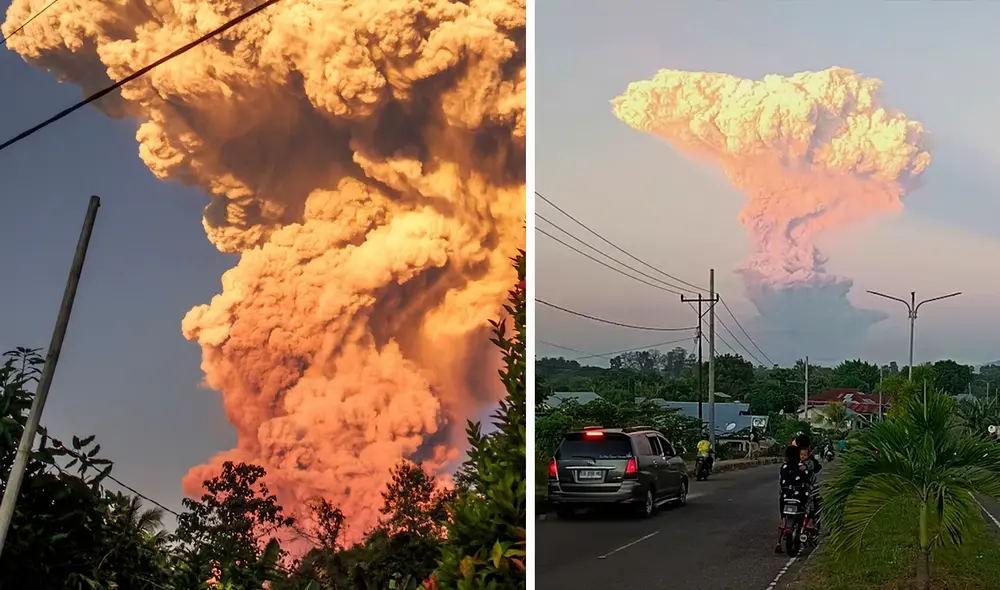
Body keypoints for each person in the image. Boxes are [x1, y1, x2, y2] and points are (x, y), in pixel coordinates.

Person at [776, 444, 812, 553]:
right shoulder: (801, 467)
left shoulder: (784, 467)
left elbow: (782, 481)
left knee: (782, 502)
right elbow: (807, 480)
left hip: (786, 496)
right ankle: (809, 524)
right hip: (799, 496)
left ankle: (783, 520)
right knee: (810, 507)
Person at [794, 434, 822, 530]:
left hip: (796, 487)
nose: (802, 456)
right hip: (805, 488)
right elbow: (818, 467)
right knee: (815, 502)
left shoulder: (797, 458)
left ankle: (784, 520)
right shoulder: (807, 458)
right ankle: (810, 521)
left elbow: (817, 467)